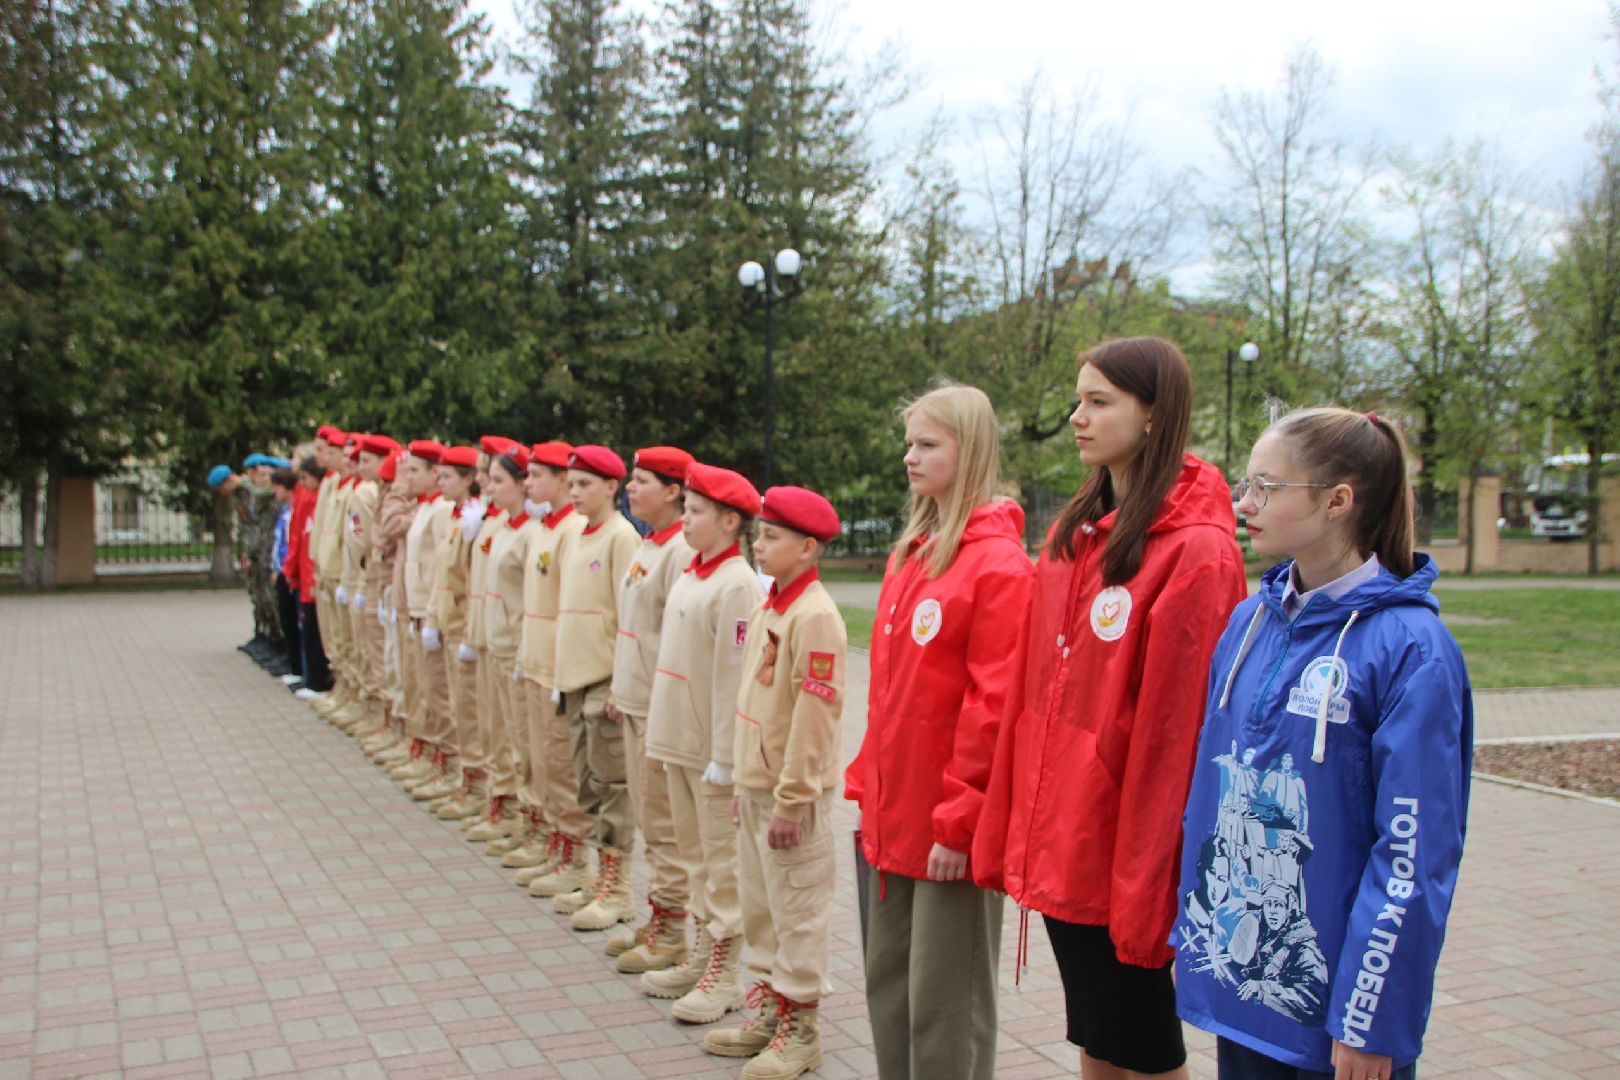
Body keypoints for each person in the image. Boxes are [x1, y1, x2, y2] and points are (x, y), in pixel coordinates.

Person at [972, 337, 1248, 1080]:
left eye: (1099, 402)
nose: (1077, 417)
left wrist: (1150, 866)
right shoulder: (1073, 535)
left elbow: (1178, 731)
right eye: (1078, 399)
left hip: (1123, 844)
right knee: (1097, 1033)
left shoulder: (1196, 551)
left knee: (1145, 1046)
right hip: (1065, 830)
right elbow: (1037, 698)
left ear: (1154, 416)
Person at [1173, 408, 1472, 1080]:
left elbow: (1414, 854)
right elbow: (1212, 796)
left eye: (1266, 487)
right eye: (1246, 484)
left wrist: (1373, 1020)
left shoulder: (1411, 651)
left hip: (1340, 1018)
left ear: (1338, 501)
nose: (1243, 503)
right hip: (1241, 995)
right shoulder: (1250, 621)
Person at [844, 383, 1034, 1080]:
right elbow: (892, 695)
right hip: (891, 819)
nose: (909, 457)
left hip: (945, 831)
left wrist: (960, 821)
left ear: (970, 450)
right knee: (889, 989)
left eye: (927, 445)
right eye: (909, 443)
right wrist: (867, 783)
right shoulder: (912, 555)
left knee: (943, 1003)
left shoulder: (999, 566)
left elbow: (993, 708)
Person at [702, 486, 846, 1080]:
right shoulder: (772, 606)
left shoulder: (815, 617)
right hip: (758, 786)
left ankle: (801, 1029)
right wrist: (741, 782)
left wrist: (792, 800)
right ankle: (769, 1009)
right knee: (761, 907)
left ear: (807, 547)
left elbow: (815, 718)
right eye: (759, 533)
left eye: (771, 536)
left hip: (793, 798)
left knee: (798, 910)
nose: (758, 544)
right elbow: (754, 701)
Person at [640, 463, 764, 1020]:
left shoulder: (736, 583)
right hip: (676, 739)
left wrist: (724, 754)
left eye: (695, 512)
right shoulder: (693, 571)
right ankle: (702, 952)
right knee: (694, 857)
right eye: (684, 509)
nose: (685, 520)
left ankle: (725, 972)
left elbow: (731, 675)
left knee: (720, 864)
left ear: (729, 521)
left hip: (707, 751)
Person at [604, 446, 695, 969]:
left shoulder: (682, 550)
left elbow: (676, 642)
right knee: (648, 813)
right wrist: (623, 688)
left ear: (674, 491)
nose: (630, 489)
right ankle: (660, 915)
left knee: (663, 822)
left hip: (662, 708)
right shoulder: (649, 544)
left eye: (641, 481)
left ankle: (673, 927)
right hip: (636, 699)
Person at [551, 445, 640, 931]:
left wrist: (620, 687)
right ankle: (599, 876)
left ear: (611, 487)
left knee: (612, 788)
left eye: (585, 483)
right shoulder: (575, 535)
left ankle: (619, 887)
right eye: (572, 484)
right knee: (587, 785)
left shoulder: (621, 537)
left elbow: (628, 620)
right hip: (573, 678)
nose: (575, 493)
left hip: (602, 680)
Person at [517, 442, 595, 897]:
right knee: (541, 756)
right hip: (536, 657)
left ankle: (573, 856)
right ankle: (552, 842)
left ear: (561, 480)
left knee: (561, 763)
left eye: (536, 475)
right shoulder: (544, 528)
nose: (529, 484)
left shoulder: (573, 530)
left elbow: (573, 606)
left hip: (558, 665)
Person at [416, 444, 485, 806]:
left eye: (447, 476)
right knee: (457, 706)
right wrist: (433, 617)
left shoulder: (474, 520)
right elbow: (444, 575)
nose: (439, 482)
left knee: (471, 712)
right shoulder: (460, 516)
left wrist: (469, 631)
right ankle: (465, 780)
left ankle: (476, 788)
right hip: (450, 621)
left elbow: (473, 582)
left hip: (466, 628)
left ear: (468, 479)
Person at [284, 453, 332, 697]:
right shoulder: (313, 494)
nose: (301, 483)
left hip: (319, 573)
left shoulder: (318, 495)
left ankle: (319, 682)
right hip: (310, 572)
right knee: (312, 631)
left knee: (317, 633)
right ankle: (313, 678)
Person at [269, 467, 303, 686]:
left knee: (294, 621)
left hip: (292, 572)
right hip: (283, 569)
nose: (274, 491)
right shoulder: (286, 511)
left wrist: (287, 569)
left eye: (276, 487)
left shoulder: (295, 509)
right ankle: (295, 665)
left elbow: (294, 543)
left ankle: (300, 668)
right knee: (286, 620)